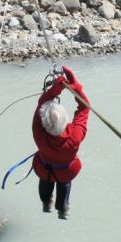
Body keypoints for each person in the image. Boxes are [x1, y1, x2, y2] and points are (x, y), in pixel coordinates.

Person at [32, 66, 90, 220]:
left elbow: (41, 105)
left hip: (45, 168)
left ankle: (46, 203)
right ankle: (62, 210)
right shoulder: (74, 136)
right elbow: (84, 108)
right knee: (64, 186)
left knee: (45, 184)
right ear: (66, 122)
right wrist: (75, 86)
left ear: (44, 123)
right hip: (65, 171)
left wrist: (53, 91)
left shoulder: (39, 133)